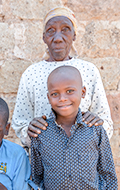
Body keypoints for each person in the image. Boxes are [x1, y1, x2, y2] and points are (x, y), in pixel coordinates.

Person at [31, 66, 118, 190]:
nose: (63, 98)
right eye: (55, 94)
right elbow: (36, 176)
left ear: (83, 92)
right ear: (48, 97)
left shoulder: (95, 130)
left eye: (70, 91)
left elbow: (108, 175)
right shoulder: (41, 133)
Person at [12, 6, 112, 148]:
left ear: (74, 35)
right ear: (44, 38)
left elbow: (106, 122)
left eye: (65, 29)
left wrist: (97, 125)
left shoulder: (89, 71)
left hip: (83, 161)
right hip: (45, 163)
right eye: (51, 31)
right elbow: (20, 122)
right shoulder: (31, 74)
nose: (58, 38)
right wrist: (30, 130)